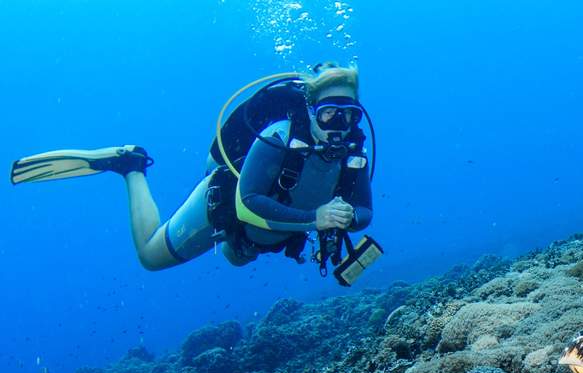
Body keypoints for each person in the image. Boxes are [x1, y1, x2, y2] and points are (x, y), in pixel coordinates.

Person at [11, 63, 377, 279]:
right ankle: (131, 166)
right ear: (312, 111)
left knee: (239, 257)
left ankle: (239, 245)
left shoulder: (352, 152)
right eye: (330, 114)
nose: (339, 126)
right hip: (225, 206)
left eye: (349, 116)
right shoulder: (276, 139)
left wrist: (345, 218)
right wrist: (316, 217)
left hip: (270, 233)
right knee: (150, 259)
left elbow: (364, 210)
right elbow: (248, 203)